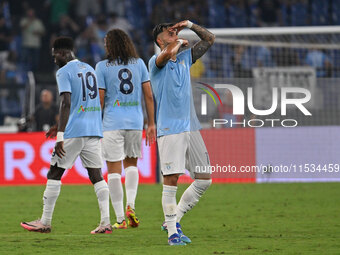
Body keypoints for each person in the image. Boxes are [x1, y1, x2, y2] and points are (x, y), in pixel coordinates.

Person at [20, 37, 112, 234]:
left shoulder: (63, 71)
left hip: (74, 131)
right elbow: (84, 103)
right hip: (94, 129)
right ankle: (106, 222)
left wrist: (60, 135)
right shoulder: (89, 69)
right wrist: (57, 125)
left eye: (54, 55)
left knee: (54, 172)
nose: (54, 59)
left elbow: (66, 103)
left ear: (62, 53)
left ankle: (45, 221)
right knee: (96, 175)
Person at [149, 20, 215, 245]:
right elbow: (166, 55)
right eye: (168, 32)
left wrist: (189, 25)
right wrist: (177, 42)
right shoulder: (155, 62)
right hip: (170, 129)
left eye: (174, 30)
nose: (173, 33)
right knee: (171, 179)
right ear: (160, 40)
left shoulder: (186, 57)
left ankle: (173, 219)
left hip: (191, 126)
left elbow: (209, 39)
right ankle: (172, 235)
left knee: (204, 179)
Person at [95, 29, 156, 229]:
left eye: (106, 42)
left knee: (113, 169)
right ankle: (131, 205)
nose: (105, 45)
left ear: (111, 45)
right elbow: (148, 96)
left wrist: (95, 121)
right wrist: (151, 123)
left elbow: (101, 98)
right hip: (135, 122)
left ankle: (120, 218)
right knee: (131, 165)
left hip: (112, 122)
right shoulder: (139, 64)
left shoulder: (102, 67)